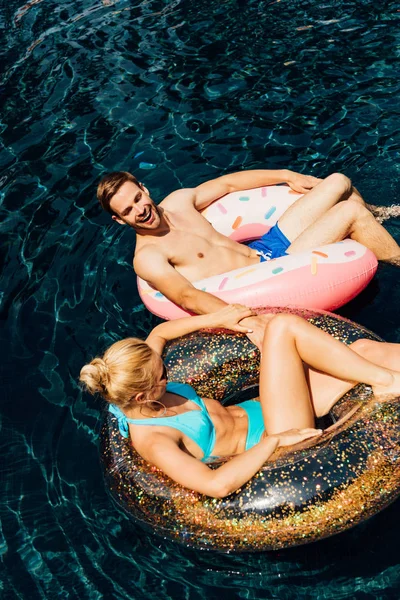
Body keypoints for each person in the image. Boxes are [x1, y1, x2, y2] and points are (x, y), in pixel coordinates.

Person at [80, 306, 400, 498]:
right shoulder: (153, 439)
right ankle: (387, 383)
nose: (168, 370)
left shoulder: (142, 378)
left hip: (270, 407)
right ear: (142, 396)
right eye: (163, 373)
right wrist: (274, 441)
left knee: (365, 351)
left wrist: (219, 316)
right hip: (278, 439)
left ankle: (386, 377)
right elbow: (215, 484)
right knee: (281, 328)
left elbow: (161, 333)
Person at [96, 169, 400, 347]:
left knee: (337, 181)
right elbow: (188, 296)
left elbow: (228, 184)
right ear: (119, 220)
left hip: (266, 245)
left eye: (138, 198)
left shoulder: (177, 202)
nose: (140, 210)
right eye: (128, 211)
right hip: (274, 270)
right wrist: (250, 323)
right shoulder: (148, 257)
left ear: (144, 189)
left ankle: (380, 216)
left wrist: (287, 176)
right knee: (350, 213)